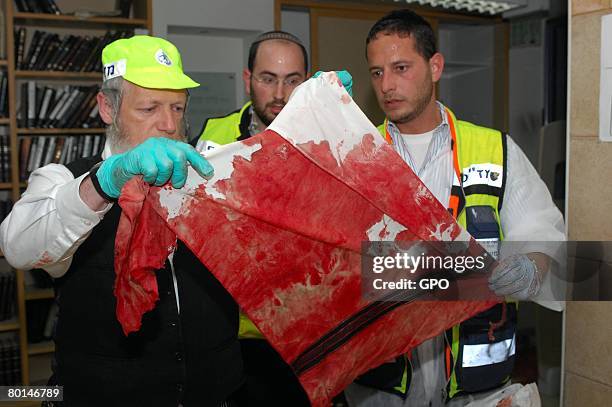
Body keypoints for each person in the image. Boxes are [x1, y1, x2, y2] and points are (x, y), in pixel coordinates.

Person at [0, 36, 243, 407]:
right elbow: (18, 248)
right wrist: (103, 183)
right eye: (149, 108)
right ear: (107, 107)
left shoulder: (208, 180)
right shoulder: (62, 180)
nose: (168, 124)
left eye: (177, 107)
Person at [343, 9, 565, 407]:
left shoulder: (496, 150)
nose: (387, 85)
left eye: (401, 67)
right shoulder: (356, 158)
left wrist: (532, 264)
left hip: (477, 383)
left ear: (435, 67)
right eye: (376, 72)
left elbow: (545, 234)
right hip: (382, 383)